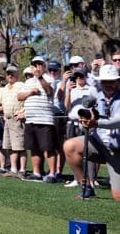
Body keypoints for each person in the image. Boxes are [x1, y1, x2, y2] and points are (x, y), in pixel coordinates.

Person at [63, 64, 120, 200]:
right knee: (70, 146)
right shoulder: (96, 94)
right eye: (105, 81)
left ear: (118, 81)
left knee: (118, 196)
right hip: (98, 143)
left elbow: (117, 121)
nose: (108, 84)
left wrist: (96, 123)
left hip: (117, 150)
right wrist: (86, 123)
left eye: (111, 81)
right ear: (100, 81)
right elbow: (89, 122)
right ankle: (87, 186)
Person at [17, 56, 59, 183]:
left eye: (39, 64)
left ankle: (52, 174)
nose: (36, 67)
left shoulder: (49, 78)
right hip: (30, 119)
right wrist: (30, 92)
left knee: (49, 148)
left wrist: (40, 77)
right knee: (33, 147)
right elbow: (19, 96)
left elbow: (49, 91)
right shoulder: (28, 82)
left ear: (44, 66)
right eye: (34, 65)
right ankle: (36, 172)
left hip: (45, 119)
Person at [1, 64, 28, 178]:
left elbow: (29, 100)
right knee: (10, 146)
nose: (10, 75)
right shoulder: (5, 87)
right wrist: (4, 113)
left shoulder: (21, 85)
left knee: (20, 146)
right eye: (8, 73)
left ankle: (22, 170)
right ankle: (13, 169)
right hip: (7, 119)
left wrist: (24, 113)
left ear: (17, 74)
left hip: (17, 119)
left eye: (12, 73)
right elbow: (3, 102)